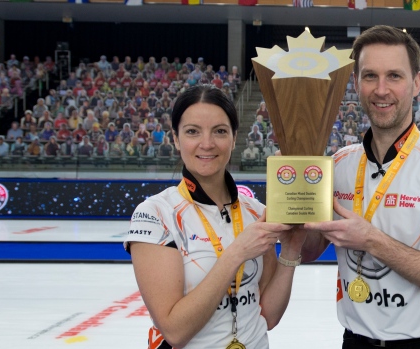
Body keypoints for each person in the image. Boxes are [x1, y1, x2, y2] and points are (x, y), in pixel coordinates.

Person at [300, 25, 420, 348]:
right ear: (356, 83)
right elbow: (308, 251)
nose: (381, 89)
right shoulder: (337, 165)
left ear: (416, 84)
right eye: (370, 76)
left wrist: (372, 240)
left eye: (394, 76)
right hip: (355, 341)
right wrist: (290, 213)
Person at [124, 86, 306, 349]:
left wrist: (290, 249)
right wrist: (236, 253)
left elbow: (268, 315)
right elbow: (174, 331)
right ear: (175, 139)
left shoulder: (255, 211)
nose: (207, 143)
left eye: (220, 131)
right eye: (192, 131)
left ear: (234, 139)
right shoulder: (155, 214)